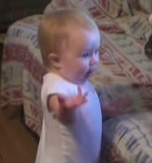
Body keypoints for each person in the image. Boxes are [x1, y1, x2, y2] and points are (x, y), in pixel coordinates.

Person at [35, 9, 102, 163]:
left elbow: (86, 110)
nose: (95, 60)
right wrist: (66, 108)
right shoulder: (54, 86)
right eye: (86, 55)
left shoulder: (77, 79)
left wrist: (107, 108)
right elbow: (58, 109)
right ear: (56, 60)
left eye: (97, 51)